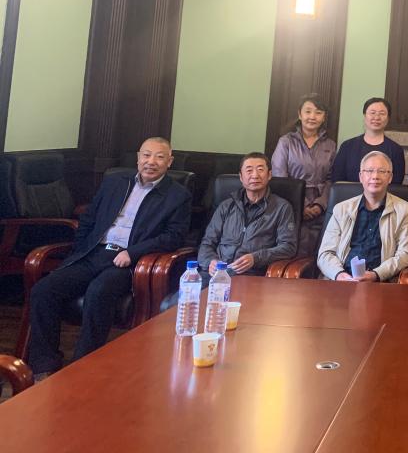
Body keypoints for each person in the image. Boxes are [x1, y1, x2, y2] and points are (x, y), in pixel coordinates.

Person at [26, 138, 190, 375]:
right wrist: (80, 250)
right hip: (94, 253)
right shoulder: (115, 182)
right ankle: (44, 365)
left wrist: (133, 253)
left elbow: (173, 237)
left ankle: (82, 366)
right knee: (43, 290)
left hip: (129, 262)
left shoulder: (177, 195)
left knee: (99, 291)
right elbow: (88, 219)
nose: (151, 162)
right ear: (138, 157)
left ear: (170, 162)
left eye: (159, 157)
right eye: (146, 155)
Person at [318, 152, 408, 282]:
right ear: (360, 176)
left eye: (382, 171)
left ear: (390, 177)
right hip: (341, 282)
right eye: (369, 171)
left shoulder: (403, 210)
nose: (375, 176)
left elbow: (406, 254)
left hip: (381, 282)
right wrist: (340, 275)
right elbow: (325, 253)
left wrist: (376, 274)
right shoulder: (341, 209)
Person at [199, 152, 297, 278]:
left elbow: (288, 247)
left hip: (251, 275)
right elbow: (207, 243)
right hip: (216, 273)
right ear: (241, 177)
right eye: (249, 170)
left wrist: (255, 258)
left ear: (269, 175)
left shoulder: (282, 208)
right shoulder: (226, 206)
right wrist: (210, 261)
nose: (255, 175)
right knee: (184, 290)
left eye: (260, 170)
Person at [271, 93, 335, 255]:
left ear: (324, 117)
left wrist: (320, 204)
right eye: (308, 111)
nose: (312, 116)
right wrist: (302, 204)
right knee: (291, 252)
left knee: (319, 253)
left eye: (318, 112)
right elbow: (280, 177)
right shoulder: (286, 142)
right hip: (290, 205)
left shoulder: (331, 145)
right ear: (300, 114)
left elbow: (332, 179)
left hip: (321, 208)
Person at [330, 97, 406, 185]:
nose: (377, 117)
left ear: (388, 118)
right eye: (372, 113)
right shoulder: (347, 146)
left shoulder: (396, 150)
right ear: (364, 115)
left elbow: (396, 183)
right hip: (350, 193)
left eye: (382, 113)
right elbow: (337, 180)